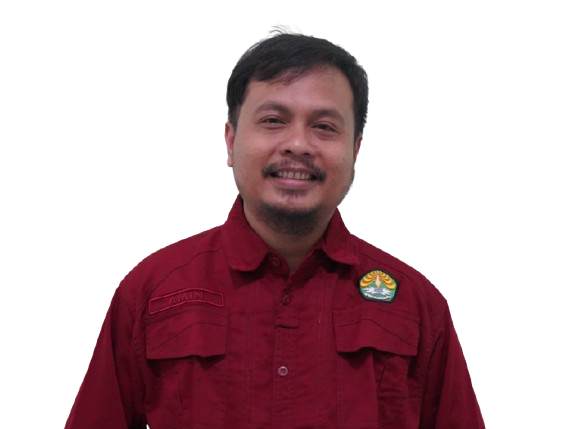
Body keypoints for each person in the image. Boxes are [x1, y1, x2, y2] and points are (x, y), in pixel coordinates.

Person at [65, 23, 485, 429]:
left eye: (324, 126)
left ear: (355, 149)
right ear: (230, 140)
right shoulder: (152, 291)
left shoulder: (417, 304)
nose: (297, 144)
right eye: (273, 120)